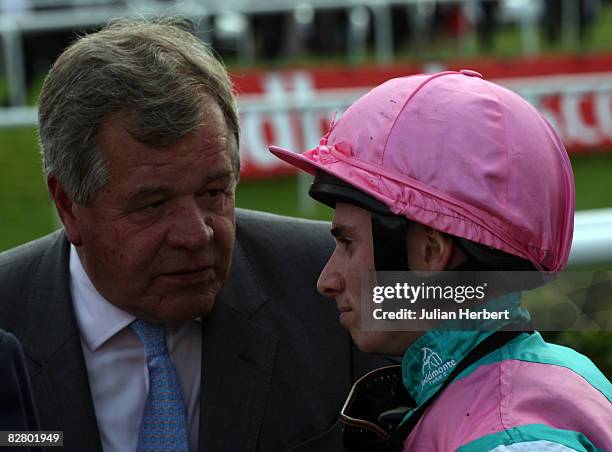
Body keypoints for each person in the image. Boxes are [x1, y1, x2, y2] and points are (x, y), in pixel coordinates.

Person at [0, 19, 385, 452]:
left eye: (214, 192)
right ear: (68, 205)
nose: (196, 234)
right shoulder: (7, 315)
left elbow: (471, 306)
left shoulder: (336, 274)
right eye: (153, 205)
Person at [270, 70, 612, 451]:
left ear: (431, 251)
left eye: (348, 243)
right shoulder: (556, 371)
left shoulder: (514, 439)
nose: (327, 280)